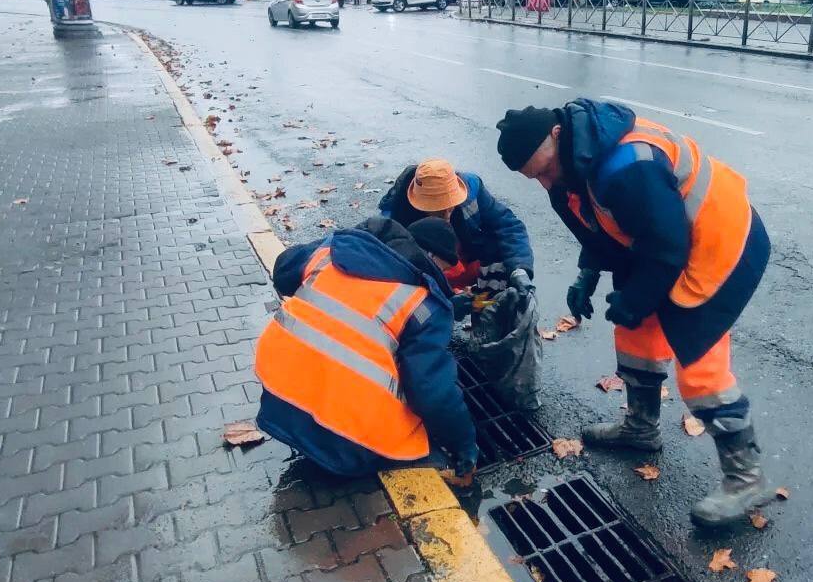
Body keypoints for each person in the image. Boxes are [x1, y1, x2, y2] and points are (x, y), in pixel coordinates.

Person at [495, 99, 772, 527]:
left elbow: (667, 247)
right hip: (661, 237)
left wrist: (637, 297)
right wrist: (588, 274)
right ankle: (641, 428)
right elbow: (600, 228)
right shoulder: (566, 169)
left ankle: (746, 478)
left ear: (557, 135)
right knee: (634, 330)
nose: (546, 181)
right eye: (535, 177)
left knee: (698, 362)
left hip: (720, 240)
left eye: (545, 169)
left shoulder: (627, 164)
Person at [254, 215, 477, 481]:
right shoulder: (423, 304)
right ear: (431, 258)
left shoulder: (333, 253)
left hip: (278, 398)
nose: (444, 277)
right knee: (421, 432)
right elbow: (431, 392)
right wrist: (464, 446)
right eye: (444, 269)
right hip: (344, 441)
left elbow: (284, 270)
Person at [379, 158, 534, 299]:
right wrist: (446, 299)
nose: (447, 214)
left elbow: (509, 226)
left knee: (499, 249)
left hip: (467, 261)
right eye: (439, 209)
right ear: (418, 204)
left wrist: (520, 269)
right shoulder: (394, 221)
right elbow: (396, 279)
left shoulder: (472, 189)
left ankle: (490, 306)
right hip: (431, 274)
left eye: (450, 206)